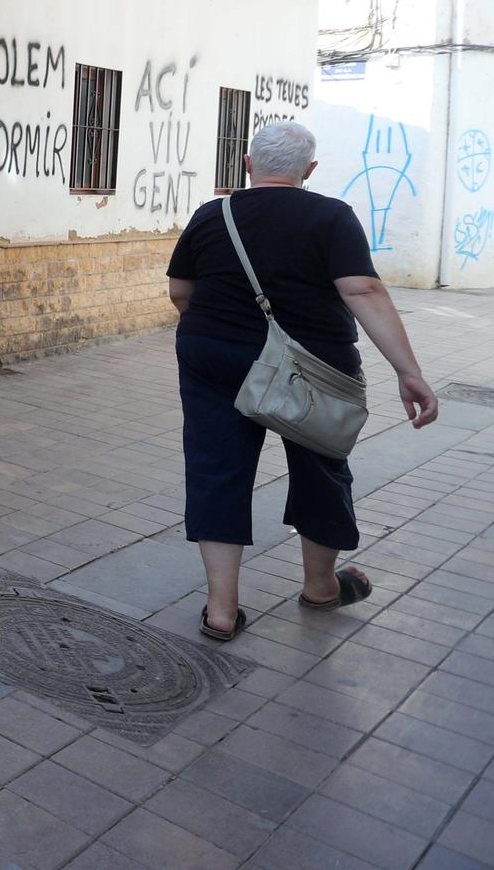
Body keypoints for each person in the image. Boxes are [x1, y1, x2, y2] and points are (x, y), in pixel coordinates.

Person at [166, 120, 438, 642]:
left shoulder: (212, 214)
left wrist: (220, 332)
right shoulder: (331, 216)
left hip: (214, 359)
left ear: (248, 165)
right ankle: (319, 587)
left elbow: (181, 292)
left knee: (216, 470)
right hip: (315, 368)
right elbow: (361, 290)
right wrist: (409, 372)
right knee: (320, 467)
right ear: (308, 171)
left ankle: (221, 610)